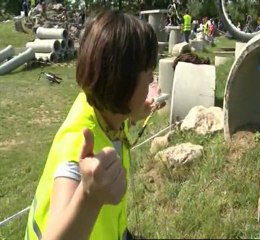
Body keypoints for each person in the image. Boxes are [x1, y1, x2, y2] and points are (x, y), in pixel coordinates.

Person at [25, 10, 161, 240]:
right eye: (147, 71)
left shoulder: (104, 108)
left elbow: (119, 120)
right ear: (122, 82)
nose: (152, 79)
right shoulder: (77, 145)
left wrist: (138, 110)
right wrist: (89, 197)